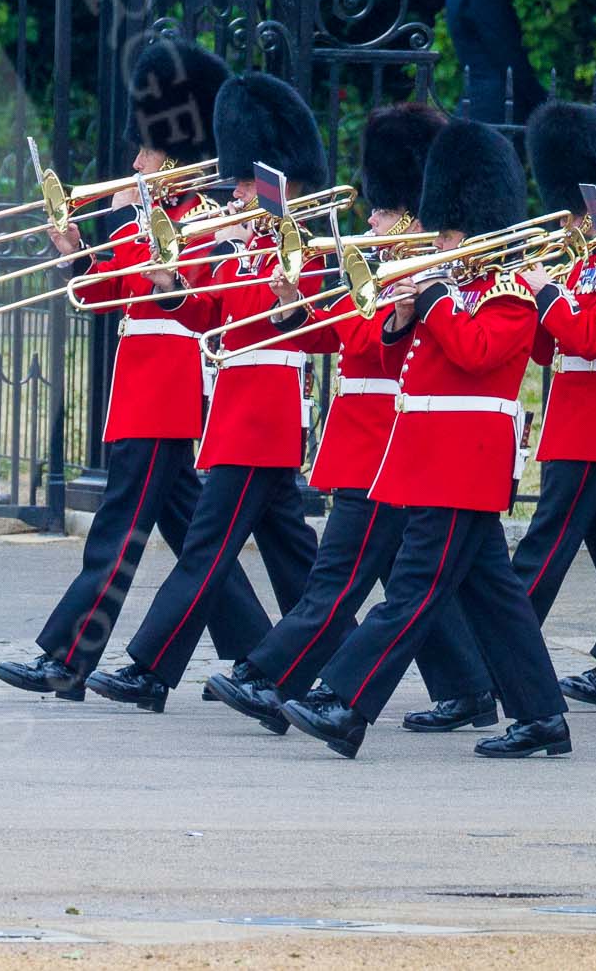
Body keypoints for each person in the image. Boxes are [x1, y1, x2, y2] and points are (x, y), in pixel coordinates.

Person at [204, 104, 497, 735]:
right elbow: (336, 336)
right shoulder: (391, 270)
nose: (373, 219)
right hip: (370, 437)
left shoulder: (429, 275)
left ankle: (268, 676)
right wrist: (290, 305)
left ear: (414, 214)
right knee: (434, 579)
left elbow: (381, 347)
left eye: (385, 210)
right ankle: (471, 687)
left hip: (390, 440)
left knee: (340, 578)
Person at [283, 120, 571, 759]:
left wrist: (434, 298)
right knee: (495, 598)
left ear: (472, 225)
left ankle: (345, 700)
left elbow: (476, 353)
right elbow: (406, 357)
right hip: (434, 458)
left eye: (445, 230)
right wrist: (405, 313)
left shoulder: (508, 291)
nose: (436, 241)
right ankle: (543, 717)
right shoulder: (459, 287)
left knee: (413, 588)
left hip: (463, 460)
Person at [0, 39, 271, 701]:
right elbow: (105, 292)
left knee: (118, 536)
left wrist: (147, 236)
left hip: (168, 386)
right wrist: (73, 251)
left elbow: (196, 296)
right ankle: (260, 653)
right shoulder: (140, 216)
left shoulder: (206, 220)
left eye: (144, 151)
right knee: (191, 531)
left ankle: (68, 658)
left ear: (173, 158)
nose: (133, 162)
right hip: (140, 385)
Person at [87, 72, 329, 712]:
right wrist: (170, 282)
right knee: (299, 563)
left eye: (250, 182)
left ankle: (149, 669)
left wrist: (285, 295)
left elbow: (300, 327)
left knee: (204, 552)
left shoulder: (303, 245)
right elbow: (208, 315)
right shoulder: (246, 243)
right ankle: (337, 669)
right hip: (239, 416)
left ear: (281, 181)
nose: (239, 191)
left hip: (262, 418)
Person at [510, 102, 596, 630]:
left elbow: (592, 338)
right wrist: (526, 300)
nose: (574, 221)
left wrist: (549, 293)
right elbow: (549, 350)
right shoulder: (585, 264)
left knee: (542, 552)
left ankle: (495, 657)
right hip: (576, 423)